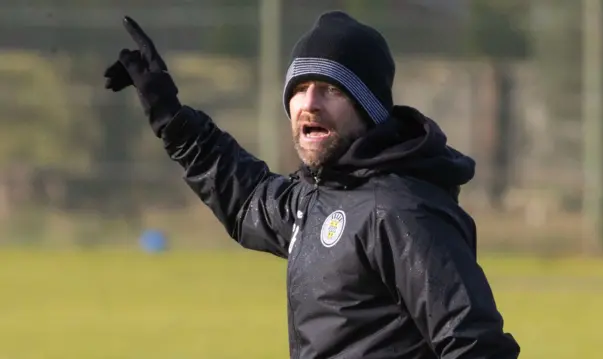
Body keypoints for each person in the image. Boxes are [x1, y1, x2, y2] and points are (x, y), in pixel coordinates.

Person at [104, 10, 520, 359]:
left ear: (368, 108)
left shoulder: (400, 211)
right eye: (299, 88)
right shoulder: (320, 198)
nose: (309, 103)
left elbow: (473, 344)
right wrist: (169, 116)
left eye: (330, 88)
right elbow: (248, 197)